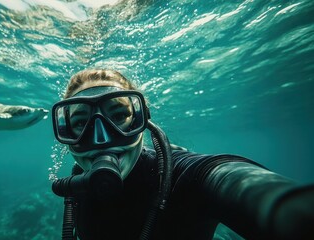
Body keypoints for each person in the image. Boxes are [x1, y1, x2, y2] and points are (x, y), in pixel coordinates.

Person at [51, 69, 314, 240]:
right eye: (80, 123)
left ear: (143, 122)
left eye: (119, 115)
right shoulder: (78, 187)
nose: (101, 138)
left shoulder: (181, 174)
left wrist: (288, 207)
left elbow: (225, 178)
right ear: (66, 134)